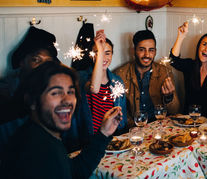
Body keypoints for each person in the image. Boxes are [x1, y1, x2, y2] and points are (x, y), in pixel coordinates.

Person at [0, 61, 122, 179]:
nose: (67, 100)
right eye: (56, 93)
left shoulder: (47, 137)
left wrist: (103, 133)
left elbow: (74, 171)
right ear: (32, 101)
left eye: (70, 92)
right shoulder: (33, 151)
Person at [64, 30, 127, 151]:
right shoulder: (81, 77)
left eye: (107, 53)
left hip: (111, 142)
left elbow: (122, 122)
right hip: (86, 143)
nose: (103, 57)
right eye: (97, 53)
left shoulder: (117, 81)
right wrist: (99, 47)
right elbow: (94, 88)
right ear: (91, 56)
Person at [0, 26, 58, 156]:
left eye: (48, 62)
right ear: (22, 62)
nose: (42, 66)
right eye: (36, 60)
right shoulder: (6, 90)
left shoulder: (53, 88)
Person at [114, 30, 179, 125]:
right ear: (133, 51)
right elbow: (119, 112)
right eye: (141, 49)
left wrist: (169, 97)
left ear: (155, 51)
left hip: (159, 126)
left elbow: (175, 111)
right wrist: (135, 127)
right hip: (133, 128)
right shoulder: (121, 75)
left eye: (151, 50)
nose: (147, 55)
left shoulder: (164, 72)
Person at [170, 22, 207, 119]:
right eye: (204, 44)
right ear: (199, 46)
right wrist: (181, 37)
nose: (206, 49)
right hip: (187, 121)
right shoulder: (190, 65)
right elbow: (173, 61)